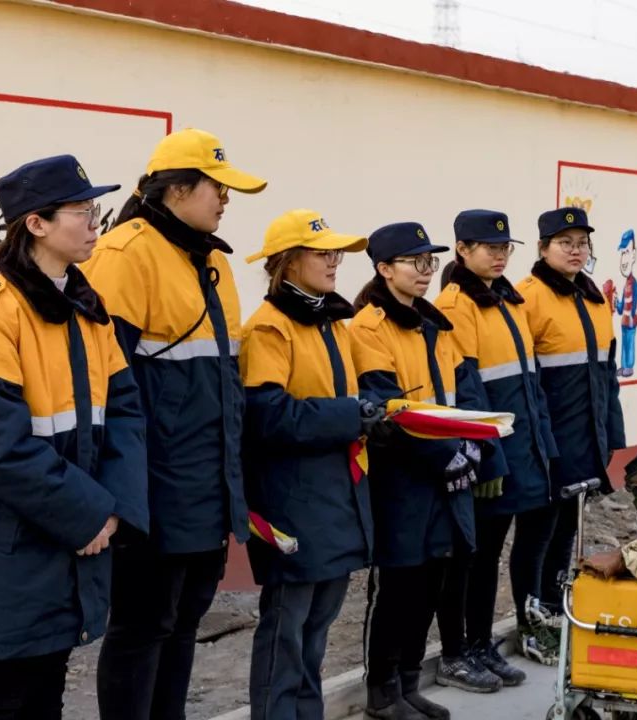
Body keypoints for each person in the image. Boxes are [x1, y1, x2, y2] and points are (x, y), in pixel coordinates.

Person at [80, 128, 267, 719]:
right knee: (142, 628)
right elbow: (109, 389)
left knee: (183, 623)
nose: (226, 200)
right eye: (217, 188)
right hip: (155, 488)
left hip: (208, 488)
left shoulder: (213, 262)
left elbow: (223, 386)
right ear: (176, 189)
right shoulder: (125, 255)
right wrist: (125, 496)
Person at [0, 156, 147, 718]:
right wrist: (90, 513)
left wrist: (112, 512)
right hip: (11, 547)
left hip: (74, 540)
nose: (95, 222)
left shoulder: (88, 312)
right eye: (82, 210)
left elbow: (126, 417)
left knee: (47, 690)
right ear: (37, 224)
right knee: (1, 698)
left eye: (95, 209)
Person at [239, 209, 376, 719]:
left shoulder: (331, 324)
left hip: (337, 498)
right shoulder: (269, 328)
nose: (334, 262)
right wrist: (351, 415)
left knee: (316, 631)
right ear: (287, 263)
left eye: (335, 253)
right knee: (286, 630)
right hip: (292, 501)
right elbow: (268, 415)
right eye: (323, 253)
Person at [350, 222, 483, 720]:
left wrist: (472, 445)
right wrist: (443, 453)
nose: (427, 271)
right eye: (415, 262)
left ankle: (408, 680)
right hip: (404, 479)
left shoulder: (434, 325)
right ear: (384, 269)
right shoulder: (367, 327)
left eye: (431, 262)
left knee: (436, 579)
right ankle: (382, 691)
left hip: (450, 476)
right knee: (400, 585)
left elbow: (464, 394)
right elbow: (388, 407)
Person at [433, 210, 557, 689]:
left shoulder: (509, 301)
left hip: (520, 451)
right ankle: (458, 652)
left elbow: (529, 386)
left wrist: (542, 446)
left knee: (489, 554)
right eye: (489, 247)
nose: (500, 255)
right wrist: (487, 460)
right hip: (490, 457)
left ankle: (481, 644)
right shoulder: (455, 305)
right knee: (473, 558)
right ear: (462, 250)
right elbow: (470, 395)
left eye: (505, 247)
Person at [517, 207, 625, 662]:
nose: (576, 249)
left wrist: (611, 435)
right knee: (537, 530)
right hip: (548, 439)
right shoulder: (527, 297)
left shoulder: (594, 299)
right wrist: (536, 441)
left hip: (585, 437)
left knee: (566, 528)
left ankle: (555, 609)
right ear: (543, 249)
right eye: (565, 242)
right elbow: (525, 382)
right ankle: (529, 620)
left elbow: (606, 375)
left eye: (582, 242)